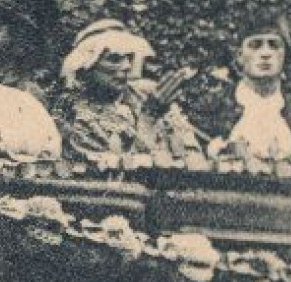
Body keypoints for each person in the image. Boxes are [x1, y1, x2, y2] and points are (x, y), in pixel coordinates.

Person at [54, 18, 199, 169]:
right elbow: (117, 173)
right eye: (114, 59)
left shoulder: (145, 96)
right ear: (86, 67)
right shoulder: (71, 111)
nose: (127, 66)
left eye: (129, 57)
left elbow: (195, 160)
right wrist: (148, 118)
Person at [189, 12, 291, 161]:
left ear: (284, 55)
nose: (265, 53)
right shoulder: (211, 110)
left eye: (274, 45)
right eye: (255, 45)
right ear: (240, 56)